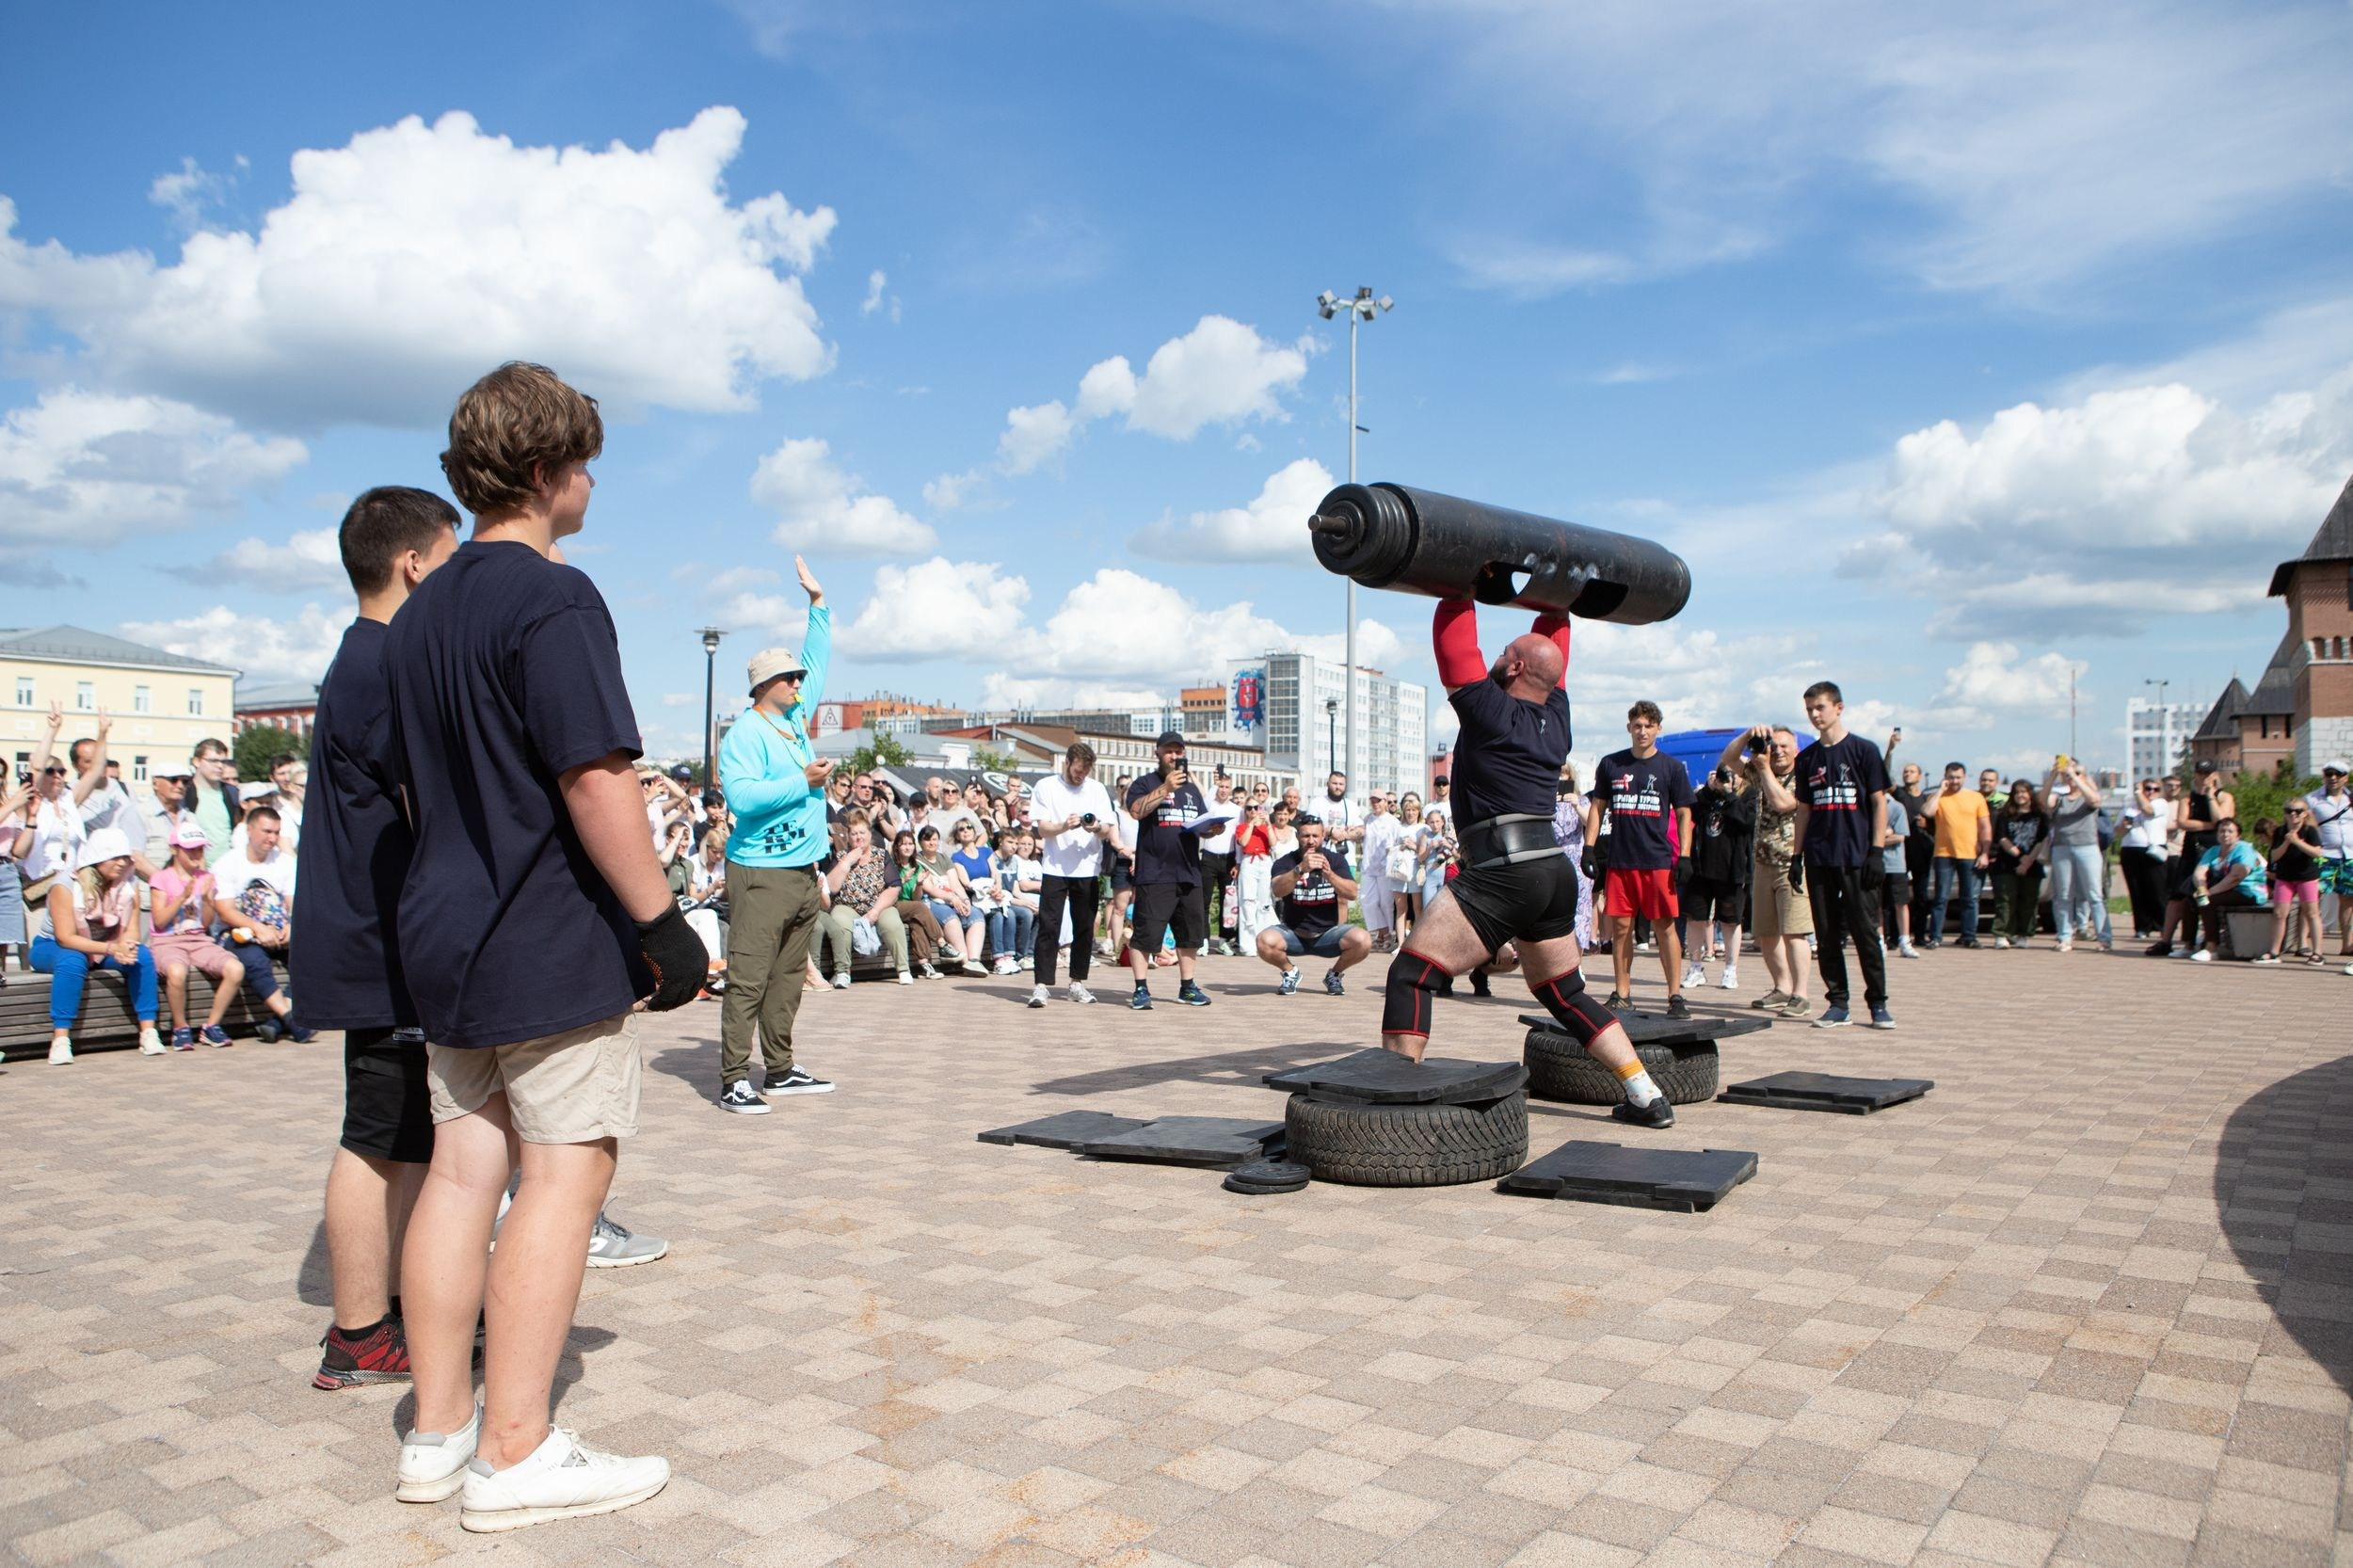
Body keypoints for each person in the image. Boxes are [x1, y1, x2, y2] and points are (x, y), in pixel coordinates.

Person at [383, 363, 696, 1528]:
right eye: (581, 459)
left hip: (445, 930)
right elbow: (593, 772)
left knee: (464, 1173)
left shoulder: (421, 612)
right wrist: (660, 922)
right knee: (564, 1178)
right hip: (544, 932)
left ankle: (437, 1430)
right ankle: (515, 1453)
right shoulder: (550, 598)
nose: (592, 478)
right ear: (542, 471)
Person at [1379, 600, 1673, 1126]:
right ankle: (1646, 1094)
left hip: (1503, 868)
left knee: (1411, 975)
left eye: (1506, 652)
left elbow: (1454, 644)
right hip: (1549, 873)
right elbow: (1555, 641)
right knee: (1565, 993)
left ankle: (1392, 1102)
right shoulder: (1557, 716)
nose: (1495, 655)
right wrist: (1552, 594)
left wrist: (1460, 583)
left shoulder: (1491, 711)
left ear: (1514, 668)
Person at [712, 560, 836, 1116]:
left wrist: (818, 604)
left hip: (800, 873)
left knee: (787, 979)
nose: (800, 682)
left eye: (798, 679)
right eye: (790, 679)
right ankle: (734, 1077)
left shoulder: (792, 719)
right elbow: (740, 799)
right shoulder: (745, 733)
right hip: (760, 872)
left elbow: (818, 659)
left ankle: (780, 1070)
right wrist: (800, 782)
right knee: (749, 979)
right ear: (764, 686)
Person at [1791, 681, 1894, 1029]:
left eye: (1820, 707)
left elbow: (1878, 801)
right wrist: (1796, 856)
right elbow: (1804, 809)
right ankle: (1838, 1002)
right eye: (1809, 710)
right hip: (1820, 856)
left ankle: (1878, 1003)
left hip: (1857, 855)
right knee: (1826, 933)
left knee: (1865, 931)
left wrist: (1876, 851)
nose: (1815, 715)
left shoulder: (1864, 750)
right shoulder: (1807, 758)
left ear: (1839, 708)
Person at [1586, 701, 1696, 1017]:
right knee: (1620, 928)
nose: (1643, 731)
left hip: (1658, 861)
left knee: (1665, 927)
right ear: (1629, 728)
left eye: (1649, 725)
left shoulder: (1671, 768)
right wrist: (1589, 848)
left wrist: (1685, 855)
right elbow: (1597, 807)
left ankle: (1675, 995)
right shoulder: (1611, 765)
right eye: (1637, 725)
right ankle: (1622, 992)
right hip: (1621, 862)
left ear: (1658, 729)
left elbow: (1685, 812)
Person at [28, 826, 160, 1062]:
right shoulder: (65, 885)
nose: (121, 863)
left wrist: (126, 947)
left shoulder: (129, 885)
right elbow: (65, 938)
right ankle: (60, 1039)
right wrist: (112, 949)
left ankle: (149, 1031)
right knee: (73, 959)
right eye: (114, 857)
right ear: (97, 857)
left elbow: (131, 931)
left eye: (124, 858)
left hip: (104, 945)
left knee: (142, 955)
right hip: (51, 946)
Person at [1724, 726, 1813, 1019]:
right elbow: (1727, 761)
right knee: (1766, 933)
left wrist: (1764, 770)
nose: (1779, 750)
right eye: (1774, 745)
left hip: (1793, 862)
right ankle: (1781, 987)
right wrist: (1747, 736)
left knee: (1793, 932)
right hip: (1762, 862)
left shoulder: (1804, 775)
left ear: (1796, 749)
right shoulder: (1762, 769)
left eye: (1786, 746)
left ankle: (1801, 994)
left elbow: (1783, 803)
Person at [1123, 731, 1214, 1010]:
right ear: (1158, 752)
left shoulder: (1191, 789)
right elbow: (1137, 811)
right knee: (1145, 934)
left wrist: (1212, 829)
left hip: (1188, 872)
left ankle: (1187, 987)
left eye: (1179, 752)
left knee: (1189, 936)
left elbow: (1200, 824)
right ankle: (1140, 989)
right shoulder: (1144, 783)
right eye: (1169, 751)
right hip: (1155, 872)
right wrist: (1165, 789)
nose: (1175, 757)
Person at [210, 807, 314, 1043]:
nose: (272, 838)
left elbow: (294, 903)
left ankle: (278, 1023)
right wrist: (258, 928)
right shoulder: (228, 863)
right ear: (249, 830)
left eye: (277, 832)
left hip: (277, 929)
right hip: (237, 933)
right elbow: (225, 911)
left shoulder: (285, 862)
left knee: (313, 952)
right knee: (254, 960)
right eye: (267, 831)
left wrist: (291, 925)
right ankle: (289, 1017)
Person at [1028, 742, 1115, 1006]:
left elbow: (1106, 829)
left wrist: (1095, 827)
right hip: (1055, 867)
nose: (1081, 776)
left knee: (1085, 927)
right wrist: (1064, 826)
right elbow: (1041, 829)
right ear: (1066, 762)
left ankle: (1077, 982)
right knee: (1049, 926)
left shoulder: (1097, 789)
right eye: (1078, 771)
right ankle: (1041, 985)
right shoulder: (1046, 786)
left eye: (1086, 772)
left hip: (1087, 868)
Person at [148, 824, 243, 1048]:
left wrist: (208, 900)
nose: (196, 854)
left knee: (236, 968)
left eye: (200, 849)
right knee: (176, 971)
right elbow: (160, 921)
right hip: (167, 940)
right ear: (174, 850)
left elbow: (206, 923)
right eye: (190, 849)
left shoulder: (207, 877)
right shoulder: (161, 879)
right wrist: (183, 897)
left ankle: (211, 1026)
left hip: (199, 939)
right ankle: (180, 1028)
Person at [1257, 813, 1372, 993]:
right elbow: (1277, 890)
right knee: (1264, 941)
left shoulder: (1335, 860)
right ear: (1297, 837)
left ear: (1323, 836)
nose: (1311, 841)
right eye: (1306, 836)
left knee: (1363, 940)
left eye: (1315, 836)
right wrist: (1299, 869)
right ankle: (1290, 972)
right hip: (1294, 933)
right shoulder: (1286, 861)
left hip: (1328, 934)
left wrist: (1330, 875)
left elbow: (1351, 893)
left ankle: (1334, 975)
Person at [1682, 760, 1754, 988]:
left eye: (1732, 774)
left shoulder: (1748, 794)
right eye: (1724, 774)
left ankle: (1730, 969)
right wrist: (1708, 789)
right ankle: (1695, 967)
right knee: (1695, 919)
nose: (1726, 778)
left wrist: (1730, 793)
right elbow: (1691, 812)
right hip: (1701, 868)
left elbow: (1747, 820)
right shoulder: (1707, 796)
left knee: (1731, 921)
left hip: (1732, 870)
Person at [2152, 760, 2234, 958]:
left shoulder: (2225, 797)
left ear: (2214, 774)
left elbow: (2222, 820)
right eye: (2200, 772)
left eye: (2207, 772)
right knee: (2179, 895)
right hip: (2191, 849)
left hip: (2215, 850)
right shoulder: (2188, 798)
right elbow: (2182, 822)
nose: (2203, 776)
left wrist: (2210, 797)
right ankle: (2168, 941)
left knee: (2206, 894)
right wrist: (2209, 825)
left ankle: (2208, 941)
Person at [821, 818, 912, 984]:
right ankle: (842, 972)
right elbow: (831, 888)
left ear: (870, 834)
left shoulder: (881, 855)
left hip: (879, 905)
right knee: (839, 920)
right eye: (854, 834)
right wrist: (847, 862)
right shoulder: (841, 856)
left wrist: (875, 912)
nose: (858, 837)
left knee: (892, 922)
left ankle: (903, 969)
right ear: (848, 836)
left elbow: (894, 887)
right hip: (848, 906)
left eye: (862, 833)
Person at [2041, 759, 2110, 952]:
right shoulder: (2059, 797)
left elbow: (2095, 800)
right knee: (2063, 894)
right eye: (2069, 774)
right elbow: (2043, 802)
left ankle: (2104, 937)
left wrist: (2076, 776)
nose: (2072, 776)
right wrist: (2054, 775)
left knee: (2094, 894)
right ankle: (2064, 936)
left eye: (2078, 773)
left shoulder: (2088, 795)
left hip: (2087, 848)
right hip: (2062, 848)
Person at [1920, 761, 1991, 949]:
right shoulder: (1940, 797)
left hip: (1969, 853)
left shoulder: (1976, 798)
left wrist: (1985, 852)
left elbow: (1985, 827)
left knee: (1969, 897)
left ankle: (1969, 936)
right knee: (1941, 897)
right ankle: (1935, 936)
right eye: (1951, 777)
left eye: (1958, 777)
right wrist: (1940, 791)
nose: (1954, 781)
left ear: (1964, 777)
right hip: (1944, 853)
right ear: (1945, 777)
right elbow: (1927, 812)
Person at [2186, 817, 2266, 961]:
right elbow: (2199, 872)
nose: (2225, 834)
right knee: (2187, 898)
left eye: (2230, 831)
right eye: (2222, 831)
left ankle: (2211, 948)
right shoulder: (2213, 850)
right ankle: (2188, 946)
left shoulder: (2244, 850)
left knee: (2207, 901)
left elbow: (2236, 877)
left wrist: (2208, 893)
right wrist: (2201, 887)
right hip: (2226, 889)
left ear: (2238, 835)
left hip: (2249, 891)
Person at [2253, 803, 2324, 965]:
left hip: (2306, 877)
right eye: (2289, 811)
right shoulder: (2279, 832)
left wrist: (2297, 842)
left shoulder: (2310, 831)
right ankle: (2274, 951)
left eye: (2298, 811)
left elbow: (2317, 853)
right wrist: (2286, 842)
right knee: (2279, 913)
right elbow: (2275, 856)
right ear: (2285, 814)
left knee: (2312, 913)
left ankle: (2317, 952)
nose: (2293, 814)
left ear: (2305, 814)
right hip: (2285, 877)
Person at [1988, 780, 2050, 949]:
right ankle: (2002, 934)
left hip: (2033, 864)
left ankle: (2023, 934)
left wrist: (2028, 861)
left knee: (2028, 900)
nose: (2020, 795)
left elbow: (2041, 839)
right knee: (2006, 899)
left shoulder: (2040, 815)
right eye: (2016, 792)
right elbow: (2002, 838)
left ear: (2030, 794)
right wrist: (2021, 857)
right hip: (2007, 863)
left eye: (2024, 792)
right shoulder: (2005, 814)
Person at [2301, 761, 2351, 967]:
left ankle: (2347, 944)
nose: (2333, 778)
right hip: (2323, 855)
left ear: (2345, 777)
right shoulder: (2312, 799)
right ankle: (2303, 942)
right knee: (2313, 897)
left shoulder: (2351, 797)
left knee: (2348, 899)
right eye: (2329, 774)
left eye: (2338, 774)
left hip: (2349, 854)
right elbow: (2302, 824)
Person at [2117, 778, 2174, 938]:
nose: (2150, 792)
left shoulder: (2160, 803)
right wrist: (2126, 825)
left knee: (2157, 890)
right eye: (2147, 789)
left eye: (2154, 789)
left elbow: (2148, 810)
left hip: (2153, 850)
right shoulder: (2129, 808)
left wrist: (2138, 793)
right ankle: (2142, 926)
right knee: (2136, 890)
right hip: (2130, 850)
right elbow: (2118, 831)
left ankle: (2162, 924)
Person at [1197, 773, 1240, 956]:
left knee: (1228, 901)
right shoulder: (1209, 805)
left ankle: (1224, 940)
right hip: (1208, 857)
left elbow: (1238, 837)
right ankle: (1203, 940)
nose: (1223, 790)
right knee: (1203, 900)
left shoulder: (1236, 810)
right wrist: (1213, 785)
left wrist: (1237, 862)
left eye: (1226, 787)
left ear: (1230, 789)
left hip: (1228, 858)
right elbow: (1205, 801)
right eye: (1220, 787)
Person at [1357, 790, 1401, 952]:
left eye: (1379, 801)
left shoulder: (1393, 822)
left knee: (1386, 903)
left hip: (1386, 869)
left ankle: (1388, 935)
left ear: (1385, 802)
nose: (1376, 804)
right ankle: (1383, 933)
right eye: (1373, 801)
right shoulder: (1368, 819)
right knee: (1367, 901)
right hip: (1368, 867)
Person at [187, 738, 241, 864]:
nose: (219, 766)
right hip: (195, 867)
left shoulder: (232, 793)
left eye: (223, 762)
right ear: (197, 761)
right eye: (213, 761)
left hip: (227, 867)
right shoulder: (185, 792)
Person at [1878, 787, 1915, 958]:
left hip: (1895, 865)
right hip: (1875, 863)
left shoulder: (1896, 807)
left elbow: (1900, 836)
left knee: (1900, 903)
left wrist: (1877, 838)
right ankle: (1879, 940)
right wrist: (1886, 833)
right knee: (1876, 905)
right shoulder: (1868, 804)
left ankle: (1904, 940)